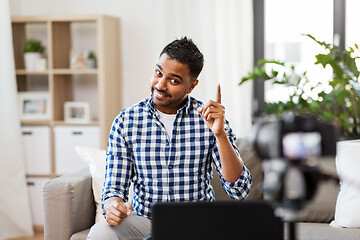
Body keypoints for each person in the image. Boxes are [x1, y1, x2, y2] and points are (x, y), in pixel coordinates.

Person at [87, 37, 252, 240]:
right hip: (145, 221)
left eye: (173, 80)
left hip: (197, 224)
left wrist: (220, 135)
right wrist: (113, 205)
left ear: (191, 86)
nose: (161, 85)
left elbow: (240, 190)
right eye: (158, 73)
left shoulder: (209, 120)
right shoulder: (126, 121)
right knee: (100, 233)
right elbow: (113, 189)